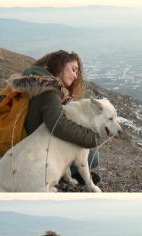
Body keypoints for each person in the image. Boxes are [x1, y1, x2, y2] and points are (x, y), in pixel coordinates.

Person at [12, 50, 101, 185]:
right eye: (73, 69)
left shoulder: (39, 83)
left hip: (26, 143)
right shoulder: (49, 90)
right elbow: (58, 125)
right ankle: (62, 174)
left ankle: (68, 172)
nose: (75, 76)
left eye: (77, 72)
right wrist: (91, 138)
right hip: (34, 153)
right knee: (93, 157)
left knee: (86, 153)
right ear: (60, 66)